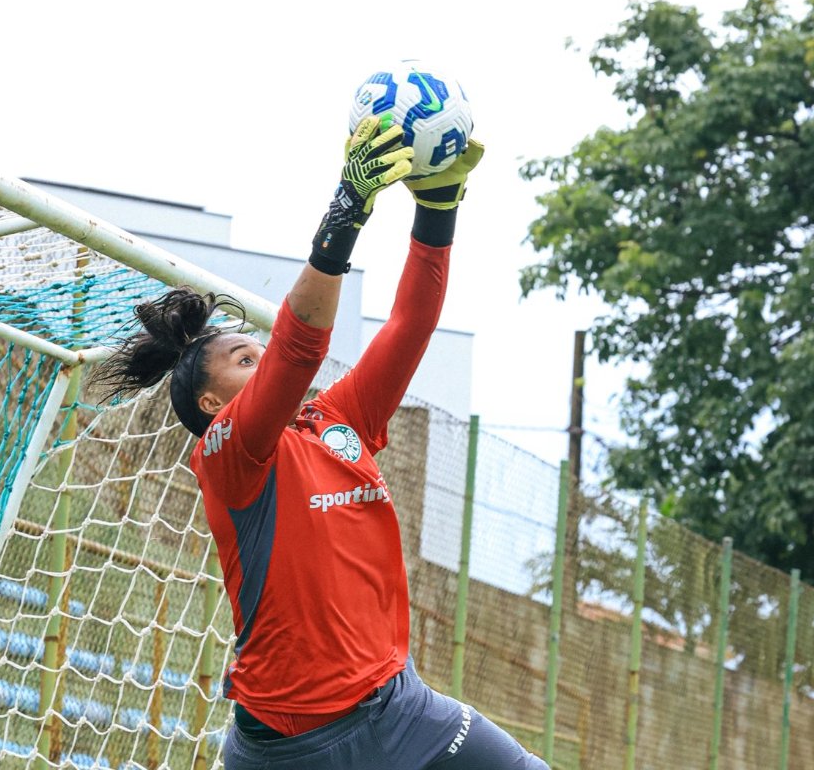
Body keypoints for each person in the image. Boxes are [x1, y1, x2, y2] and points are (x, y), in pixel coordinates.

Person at [95, 116, 548, 769]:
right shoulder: (229, 455)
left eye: (260, 350)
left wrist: (437, 207)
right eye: (245, 358)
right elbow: (301, 344)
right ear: (213, 404)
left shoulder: (337, 421)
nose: (267, 358)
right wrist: (350, 204)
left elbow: (412, 321)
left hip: (402, 709)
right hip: (293, 749)